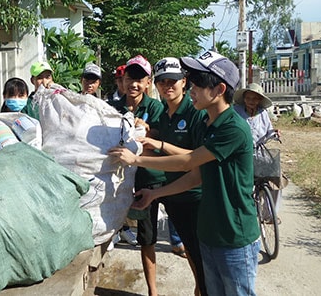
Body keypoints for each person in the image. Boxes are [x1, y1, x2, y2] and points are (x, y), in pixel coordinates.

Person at [109, 51, 260, 296]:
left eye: (198, 83)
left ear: (220, 89)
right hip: (210, 232)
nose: (192, 88)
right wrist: (155, 193)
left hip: (234, 235)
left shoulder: (232, 127)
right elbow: (195, 175)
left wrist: (136, 158)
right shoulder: (210, 124)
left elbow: (187, 161)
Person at [137, 56, 207, 296]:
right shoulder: (164, 115)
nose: (168, 86)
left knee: (198, 254)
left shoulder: (195, 112)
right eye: (162, 81)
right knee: (188, 249)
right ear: (155, 84)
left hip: (195, 197)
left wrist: (159, 143)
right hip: (173, 193)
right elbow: (158, 146)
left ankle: (201, 290)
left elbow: (196, 157)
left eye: (173, 81)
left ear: (184, 82)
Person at [108, 54, 165, 296]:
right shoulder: (113, 109)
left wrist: (150, 131)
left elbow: (166, 139)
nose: (134, 84)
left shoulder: (155, 107)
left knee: (180, 234)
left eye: (140, 79)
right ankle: (153, 291)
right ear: (123, 80)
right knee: (147, 237)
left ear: (148, 82)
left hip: (155, 178)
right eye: (130, 78)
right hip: (125, 180)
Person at [234, 82, 283, 213]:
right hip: (240, 154)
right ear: (244, 99)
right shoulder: (236, 111)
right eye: (248, 98)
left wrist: (275, 133)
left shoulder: (263, 113)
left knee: (276, 177)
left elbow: (269, 131)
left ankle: (270, 213)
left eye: (255, 98)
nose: (251, 101)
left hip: (259, 153)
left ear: (259, 100)